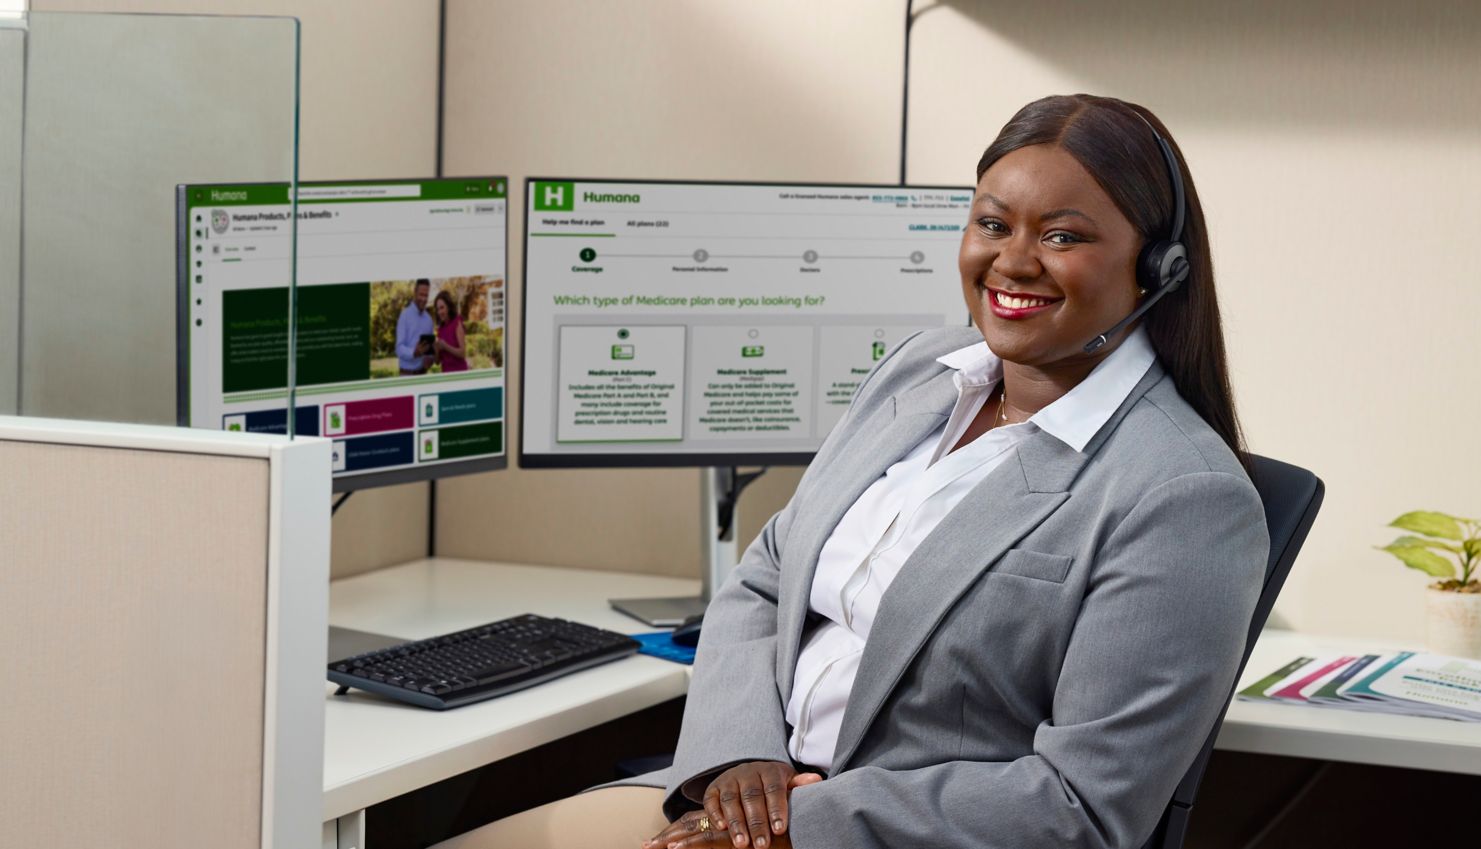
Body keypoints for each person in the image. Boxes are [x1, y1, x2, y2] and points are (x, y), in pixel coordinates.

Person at [438, 94, 1268, 849]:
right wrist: (735, 763)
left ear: (1156, 268)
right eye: (991, 224)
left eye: (1062, 236)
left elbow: (1082, 805)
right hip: (730, 801)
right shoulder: (919, 371)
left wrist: (803, 822)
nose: (1013, 262)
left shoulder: (1179, 495)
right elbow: (765, 578)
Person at [396, 278, 435, 375]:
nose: (424, 299)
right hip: (407, 375)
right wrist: (414, 352)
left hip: (423, 374)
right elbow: (398, 348)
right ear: (415, 292)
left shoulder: (429, 320)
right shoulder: (404, 316)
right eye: (421, 294)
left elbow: (430, 349)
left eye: (426, 295)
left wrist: (430, 359)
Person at [432, 290, 470, 372]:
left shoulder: (457, 322)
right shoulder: (440, 330)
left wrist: (445, 346)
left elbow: (462, 353)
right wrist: (435, 350)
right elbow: (437, 362)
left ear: (448, 307)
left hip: (460, 372)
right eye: (438, 309)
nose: (439, 312)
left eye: (442, 308)